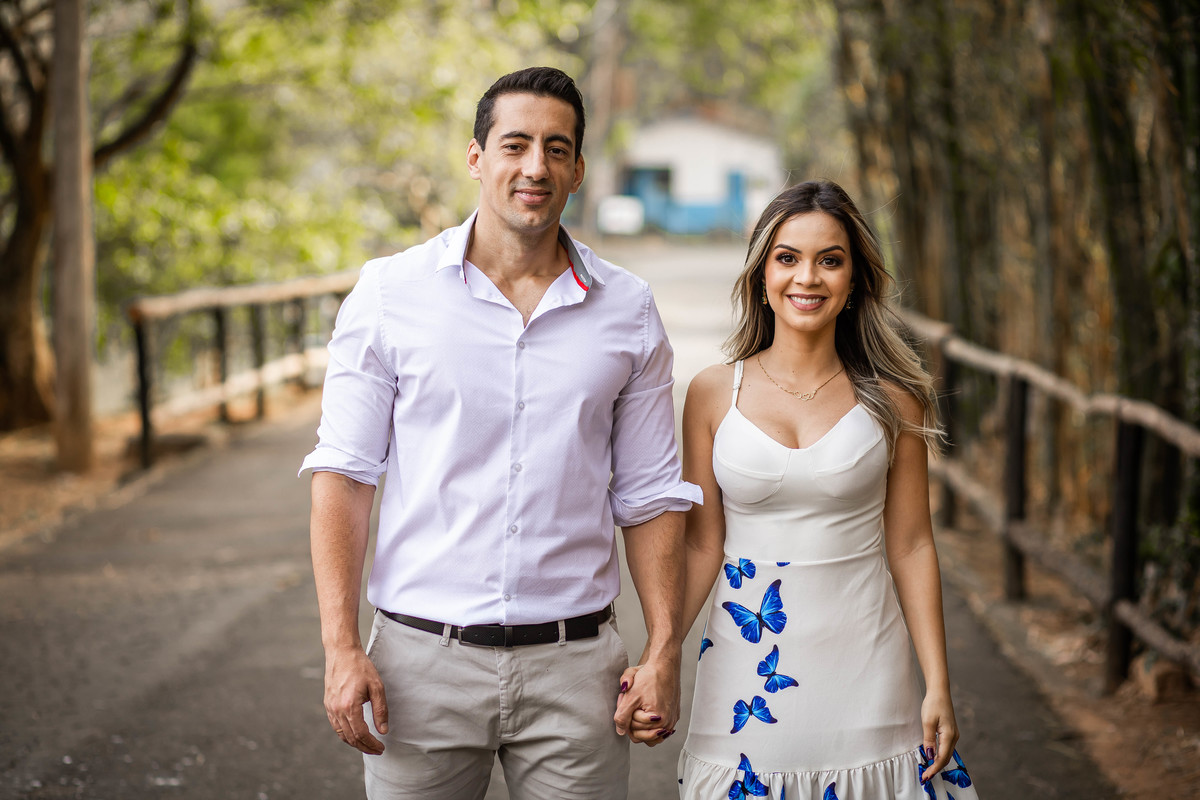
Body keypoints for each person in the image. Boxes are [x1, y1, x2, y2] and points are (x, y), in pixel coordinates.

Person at [299, 66, 699, 799]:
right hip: (419, 668)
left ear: (578, 169)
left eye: (556, 148)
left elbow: (649, 496)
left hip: (576, 670)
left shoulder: (628, 310)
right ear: (477, 157)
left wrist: (665, 649)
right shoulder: (390, 295)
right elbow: (345, 476)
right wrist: (340, 646)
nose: (534, 166)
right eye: (515, 144)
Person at [672, 180, 981, 799]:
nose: (807, 278)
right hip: (745, 669)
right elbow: (702, 546)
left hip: (869, 665)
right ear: (761, 275)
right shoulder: (712, 393)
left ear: (855, 280)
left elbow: (913, 545)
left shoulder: (895, 399)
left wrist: (938, 684)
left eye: (829, 260)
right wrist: (660, 656)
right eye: (787, 258)